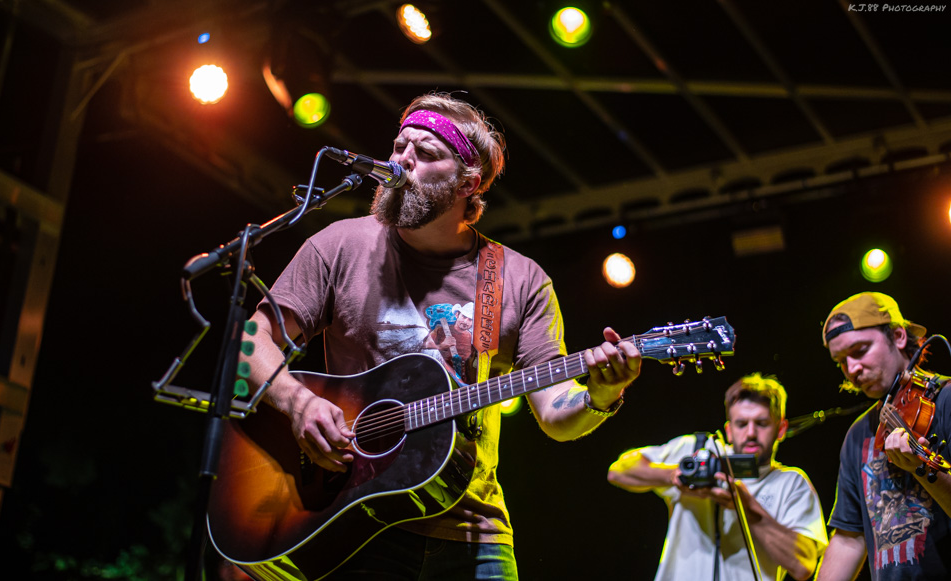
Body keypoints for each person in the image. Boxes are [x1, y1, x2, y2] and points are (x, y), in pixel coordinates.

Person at [241, 92, 642, 579]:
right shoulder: (340, 244)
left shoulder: (518, 279)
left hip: (474, 531)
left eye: (425, 153)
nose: (400, 161)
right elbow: (252, 343)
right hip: (349, 516)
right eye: (398, 146)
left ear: (467, 183)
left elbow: (556, 415)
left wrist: (601, 394)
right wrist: (297, 403)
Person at [607, 373, 827, 581]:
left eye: (761, 423)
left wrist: (747, 507)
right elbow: (618, 470)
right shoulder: (698, 451)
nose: (750, 433)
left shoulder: (791, 483)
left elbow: (803, 566)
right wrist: (673, 475)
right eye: (742, 424)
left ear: (781, 429)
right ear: (729, 430)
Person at [816, 292, 951, 580]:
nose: (851, 369)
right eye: (841, 361)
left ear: (899, 336)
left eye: (860, 350)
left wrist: (922, 468)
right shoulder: (858, 434)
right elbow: (848, 539)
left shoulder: (946, 401)